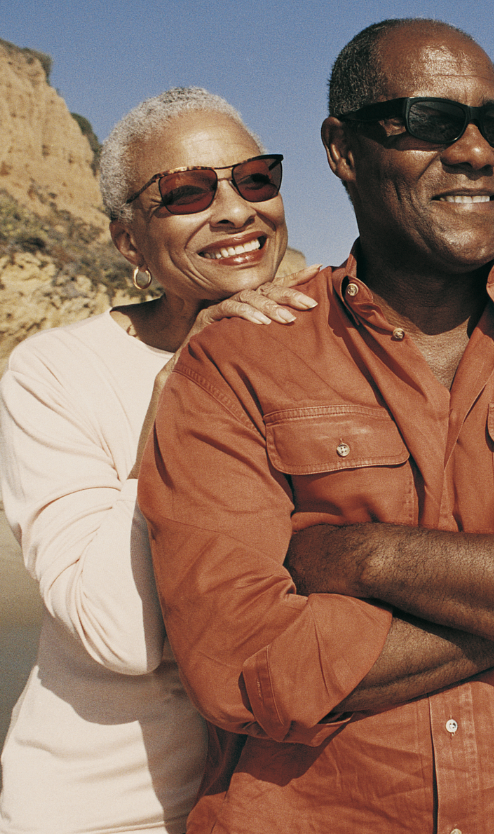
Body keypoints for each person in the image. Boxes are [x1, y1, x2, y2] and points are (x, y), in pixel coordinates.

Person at [140, 20, 494, 833]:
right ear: (342, 149)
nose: (474, 151)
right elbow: (246, 664)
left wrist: (364, 556)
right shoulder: (234, 365)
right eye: (428, 121)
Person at [0, 86, 320, 834]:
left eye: (256, 179)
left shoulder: (328, 347)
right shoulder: (55, 372)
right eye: (186, 192)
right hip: (105, 811)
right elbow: (118, 633)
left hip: (282, 804)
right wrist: (189, 385)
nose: (237, 208)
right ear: (128, 243)